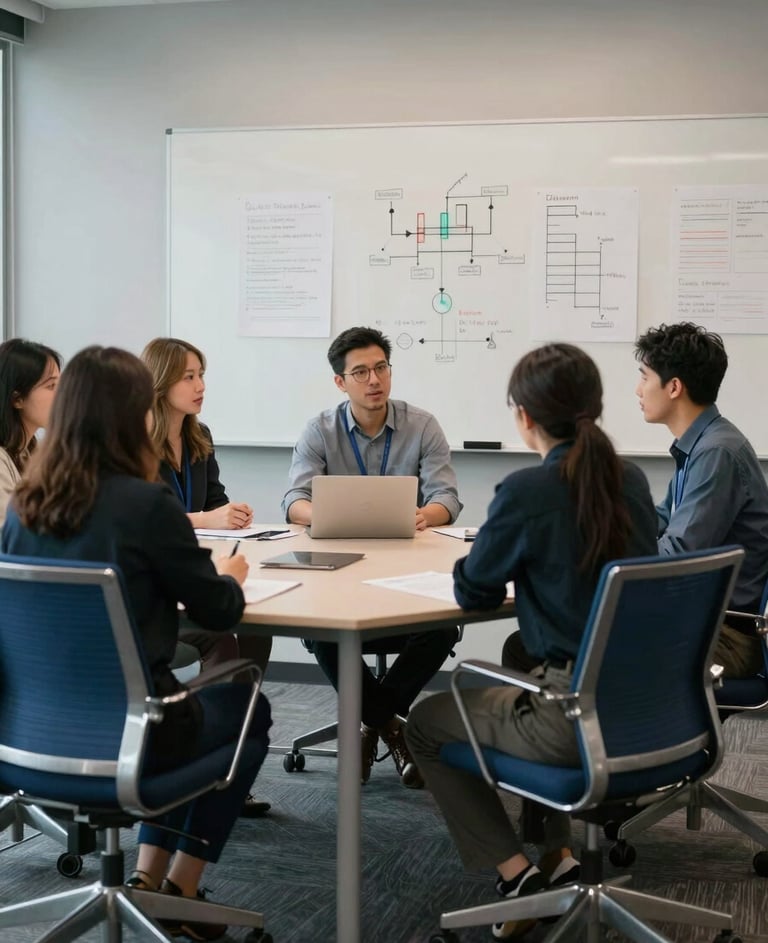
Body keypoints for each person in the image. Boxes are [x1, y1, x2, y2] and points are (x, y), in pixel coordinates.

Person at [1, 346, 271, 943]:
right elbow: (217, 610)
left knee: (170, 705)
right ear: (132, 414)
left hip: (30, 742)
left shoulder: (24, 508)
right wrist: (233, 577)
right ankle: (183, 886)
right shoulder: (145, 504)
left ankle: (148, 878)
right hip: (136, 738)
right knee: (248, 707)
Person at [405, 343, 658, 940]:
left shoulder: (526, 491)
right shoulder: (633, 480)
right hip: (651, 711)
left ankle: (518, 877)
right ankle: (557, 856)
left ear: (523, 416)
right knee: (524, 661)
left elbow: (472, 589)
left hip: (571, 718)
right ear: (593, 409)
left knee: (425, 723)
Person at [282, 326, 462, 788]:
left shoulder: (422, 425)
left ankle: (370, 723)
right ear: (340, 382)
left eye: (380, 367)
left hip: (408, 568)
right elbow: (294, 500)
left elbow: (447, 498)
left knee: (442, 624)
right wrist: (323, 515)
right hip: (339, 570)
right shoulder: (319, 429)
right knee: (318, 624)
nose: (374, 380)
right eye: (360, 372)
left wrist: (427, 514)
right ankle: (391, 725)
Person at [142, 337, 273, 816]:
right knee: (224, 632)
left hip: (194, 564)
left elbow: (213, 500)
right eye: (188, 377)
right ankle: (213, 754)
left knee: (257, 633)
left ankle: (227, 748)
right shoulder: (135, 442)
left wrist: (230, 514)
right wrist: (203, 520)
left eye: (202, 375)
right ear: (160, 382)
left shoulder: (199, 437)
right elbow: (149, 514)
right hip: (161, 586)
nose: (200, 386)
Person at [635, 322, 768, 678]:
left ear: (674, 387)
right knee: (559, 645)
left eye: (644, 378)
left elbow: (676, 557)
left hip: (726, 634)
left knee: (573, 652)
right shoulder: (700, 446)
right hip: (699, 617)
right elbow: (663, 521)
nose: (638, 390)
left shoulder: (717, 453)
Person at [0, 338, 61, 527]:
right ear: (17, 399)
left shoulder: (33, 451)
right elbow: (12, 532)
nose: (62, 394)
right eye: (51, 386)